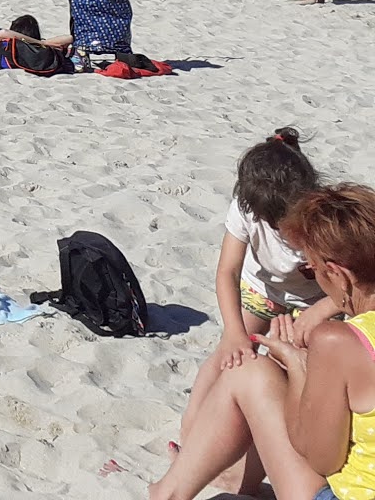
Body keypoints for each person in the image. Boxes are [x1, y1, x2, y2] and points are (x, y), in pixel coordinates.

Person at [148, 183, 375, 500]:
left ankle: (169, 493)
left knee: (248, 371)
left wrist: (297, 369)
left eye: (312, 271)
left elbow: (322, 458)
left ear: (338, 275)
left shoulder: (339, 341)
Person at [177, 129, 339, 491]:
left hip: (312, 302)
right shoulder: (247, 209)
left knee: (286, 377)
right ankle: (191, 442)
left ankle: (250, 475)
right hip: (261, 291)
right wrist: (234, 334)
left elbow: (352, 282)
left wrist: (321, 310)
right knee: (227, 358)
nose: (286, 233)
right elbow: (227, 272)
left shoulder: (323, 214)